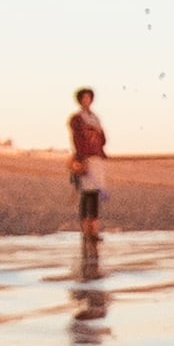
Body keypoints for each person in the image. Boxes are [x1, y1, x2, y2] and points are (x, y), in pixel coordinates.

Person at [68, 87, 108, 238]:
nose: (86, 101)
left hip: (97, 158)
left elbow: (103, 140)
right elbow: (77, 140)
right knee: (86, 194)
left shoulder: (96, 118)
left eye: (88, 98)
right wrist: (82, 158)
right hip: (85, 158)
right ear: (80, 100)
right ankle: (86, 231)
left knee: (95, 194)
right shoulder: (76, 119)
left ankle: (95, 229)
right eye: (84, 98)